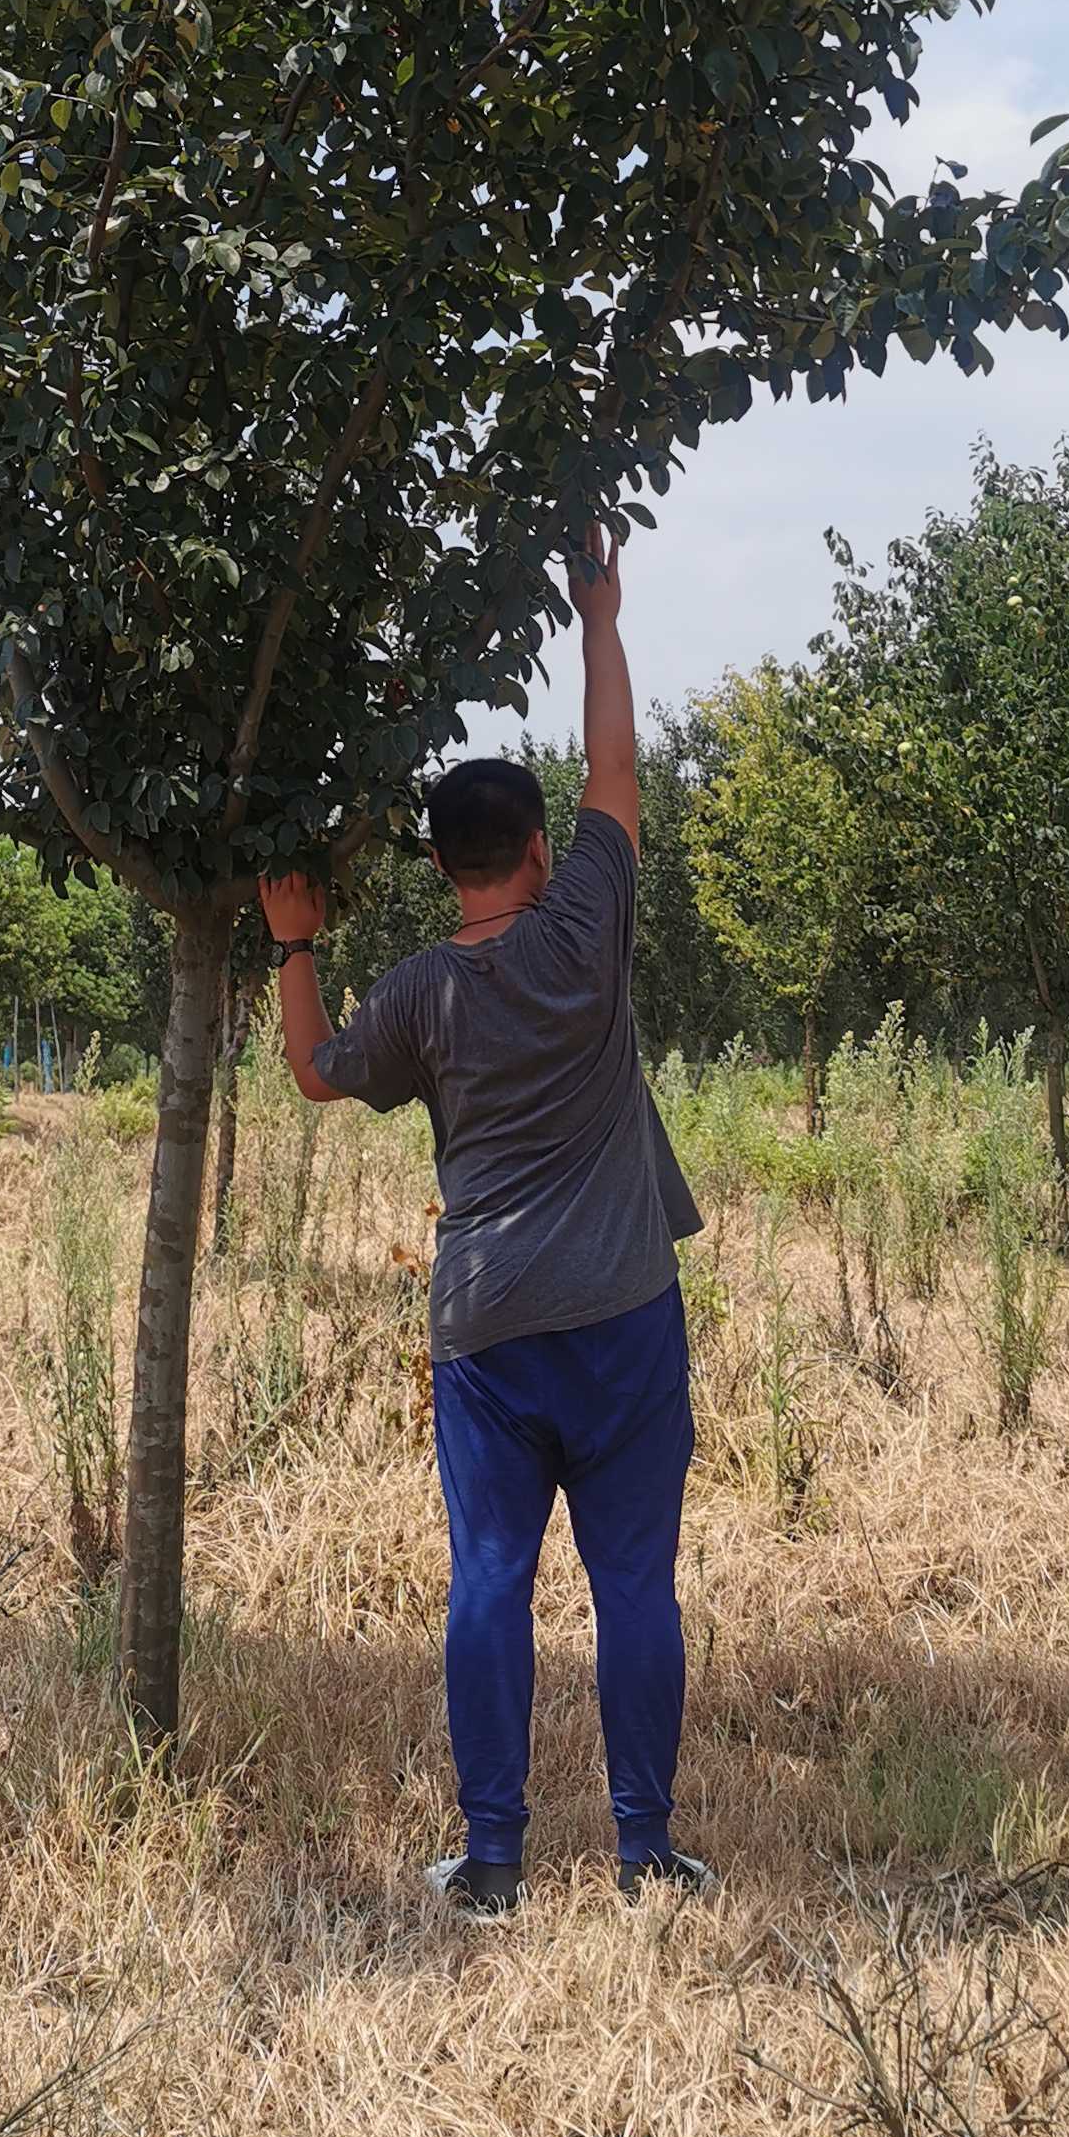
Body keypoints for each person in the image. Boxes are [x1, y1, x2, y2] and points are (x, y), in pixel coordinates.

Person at [260, 527, 706, 1917]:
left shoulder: (415, 996)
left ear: (446, 865)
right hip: (625, 1309)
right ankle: (643, 1852)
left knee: (490, 1579)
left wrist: (292, 939)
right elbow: (618, 771)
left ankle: (496, 1861)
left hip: (489, 1328)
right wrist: (600, 614)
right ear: (531, 847)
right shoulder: (586, 926)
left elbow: (316, 1072)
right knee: (633, 1581)